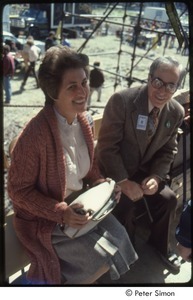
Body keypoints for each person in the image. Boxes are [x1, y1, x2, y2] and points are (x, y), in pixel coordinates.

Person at [8, 45, 138, 285]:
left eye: (85, 82)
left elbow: (89, 169)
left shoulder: (84, 121)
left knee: (120, 237)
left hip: (79, 207)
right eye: (72, 86)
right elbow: (17, 191)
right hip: (45, 221)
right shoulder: (33, 136)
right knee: (99, 258)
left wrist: (103, 185)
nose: (83, 91)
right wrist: (61, 212)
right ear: (52, 91)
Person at [96, 56, 186, 272]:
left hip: (145, 174)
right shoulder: (122, 101)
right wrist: (123, 181)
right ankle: (128, 255)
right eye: (158, 82)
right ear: (149, 78)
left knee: (169, 200)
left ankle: (159, 247)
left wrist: (156, 177)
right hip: (115, 173)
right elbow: (107, 147)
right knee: (126, 206)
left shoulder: (175, 112)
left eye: (171, 85)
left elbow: (168, 150)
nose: (163, 91)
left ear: (176, 87)